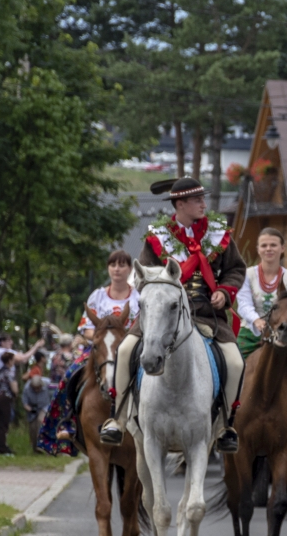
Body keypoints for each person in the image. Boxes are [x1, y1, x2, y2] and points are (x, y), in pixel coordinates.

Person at [99, 177, 247, 453]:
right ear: (180, 204)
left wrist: (225, 293)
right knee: (124, 351)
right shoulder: (157, 237)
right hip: (160, 317)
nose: (204, 204)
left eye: (203, 199)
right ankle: (117, 418)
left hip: (206, 315)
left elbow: (236, 269)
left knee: (236, 363)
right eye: (197, 200)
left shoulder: (218, 234)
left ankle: (225, 425)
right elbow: (141, 277)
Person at [235, 227, 287, 358]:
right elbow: (243, 304)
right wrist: (256, 320)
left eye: (273, 245)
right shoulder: (247, 275)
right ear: (258, 249)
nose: (268, 249)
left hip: (283, 333)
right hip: (251, 333)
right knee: (233, 365)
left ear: (283, 248)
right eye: (264, 245)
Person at [78, 249, 140, 336]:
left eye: (121, 265)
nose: (117, 269)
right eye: (113, 265)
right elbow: (88, 329)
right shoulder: (97, 296)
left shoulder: (139, 296)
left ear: (130, 268)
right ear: (108, 268)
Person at [22, 368, 53, 452]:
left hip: (44, 406)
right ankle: (35, 447)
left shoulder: (47, 384)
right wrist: (30, 409)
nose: (36, 390)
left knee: (41, 421)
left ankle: (43, 445)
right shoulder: (27, 388)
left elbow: (54, 395)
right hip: (32, 408)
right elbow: (25, 403)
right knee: (32, 428)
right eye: (34, 388)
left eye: (38, 388)